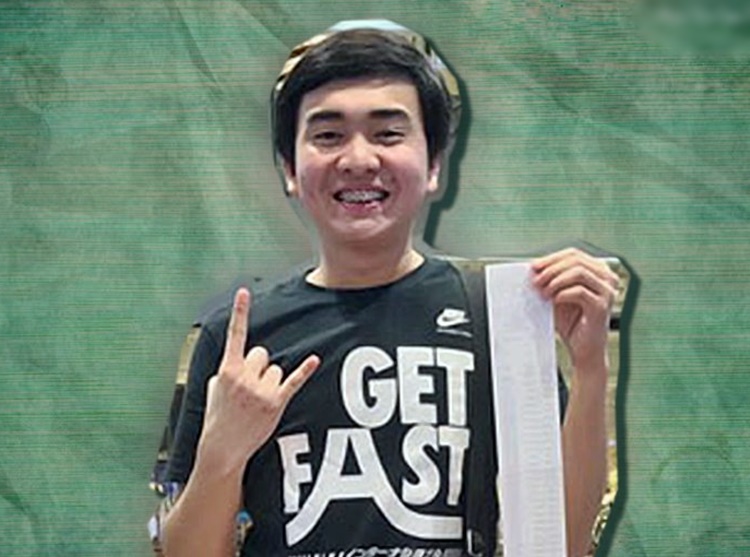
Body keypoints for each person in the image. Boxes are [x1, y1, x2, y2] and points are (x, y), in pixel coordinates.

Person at [152, 20, 619, 557]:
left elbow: (561, 544)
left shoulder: (498, 320)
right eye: (328, 135)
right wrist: (223, 452)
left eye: (388, 134)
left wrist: (590, 369)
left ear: (434, 165)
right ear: (289, 169)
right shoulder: (239, 340)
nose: (358, 159)